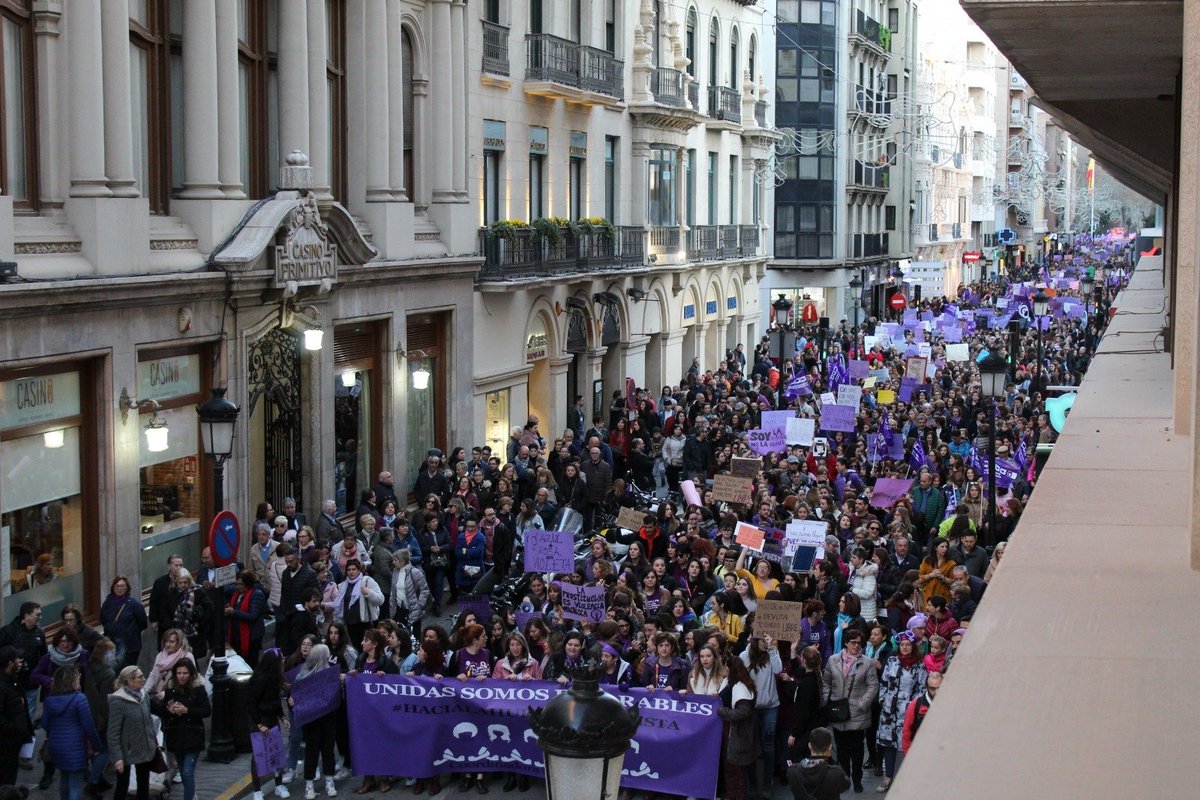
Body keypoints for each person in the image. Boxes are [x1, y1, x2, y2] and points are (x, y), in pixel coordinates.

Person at [821, 629, 878, 793]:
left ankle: (857, 779)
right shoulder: (833, 660)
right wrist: (826, 700)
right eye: (853, 642)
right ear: (846, 643)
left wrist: (863, 703)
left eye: (859, 643)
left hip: (857, 712)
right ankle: (844, 777)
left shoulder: (867, 662)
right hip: (838, 710)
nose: (856, 646)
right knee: (841, 748)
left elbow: (873, 686)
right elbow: (826, 682)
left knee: (858, 750)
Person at [874, 632, 927, 792]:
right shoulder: (891, 661)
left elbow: (922, 688)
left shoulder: (919, 666)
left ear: (913, 646)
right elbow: (883, 682)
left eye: (908, 644)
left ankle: (908, 779)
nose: (904, 647)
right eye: (902, 644)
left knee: (906, 744)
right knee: (888, 743)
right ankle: (888, 777)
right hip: (889, 711)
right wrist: (883, 699)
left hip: (908, 711)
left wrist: (912, 706)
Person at [151, 660, 210, 800]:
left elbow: (206, 710)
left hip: (192, 736)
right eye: (179, 673)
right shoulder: (170, 690)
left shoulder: (198, 689)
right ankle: (191, 793)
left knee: (188, 772)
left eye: (185, 673)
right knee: (183, 772)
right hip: (175, 736)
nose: (182, 676)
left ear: (191, 674)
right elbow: (162, 710)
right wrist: (170, 710)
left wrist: (187, 710)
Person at [42, 665, 101, 800]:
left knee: (64, 778)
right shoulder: (79, 699)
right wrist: (97, 745)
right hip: (76, 746)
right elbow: (89, 726)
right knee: (75, 784)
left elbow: (45, 723)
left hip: (56, 745)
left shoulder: (49, 700)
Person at [292, 645, 340, 800]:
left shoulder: (331, 673)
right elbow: (295, 694)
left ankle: (329, 780)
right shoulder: (302, 675)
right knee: (312, 751)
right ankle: (309, 784)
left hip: (328, 718)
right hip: (312, 720)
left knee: (328, 749)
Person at [741, 634, 784, 797]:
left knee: (768, 745)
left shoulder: (772, 653)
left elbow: (778, 669)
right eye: (762, 640)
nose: (765, 642)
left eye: (767, 639)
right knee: (752, 745)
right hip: (751, 708)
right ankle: (752, 782)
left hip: (770, 707)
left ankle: (767, 781)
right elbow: (741, 668)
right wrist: (748, 646)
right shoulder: (746, 655)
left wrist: (772, 648)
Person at [107, 666, 158, 800]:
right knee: (122, 786)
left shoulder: (144, 695)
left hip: (144, 747)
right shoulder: (117, 701)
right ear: (129, 681)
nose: (143, 679)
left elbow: (148, 721)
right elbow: (113, 733)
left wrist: (154, 743)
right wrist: (117, 757)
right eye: (140, 677)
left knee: (143, 786)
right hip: (126, 751)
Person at [247, 651, 291, 800]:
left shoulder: (274, 678)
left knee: (276, 754)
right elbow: (251, 703)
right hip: (261, 721)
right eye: (281, 659)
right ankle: (257, 790)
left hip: (272, 720)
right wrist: (259, 724)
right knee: (259, 756)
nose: (283, 661)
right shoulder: (259, 680)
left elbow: (275, 701)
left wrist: (282, 717)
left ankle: (278, 785)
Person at [717, 655, 757, 800]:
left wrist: (721, 711)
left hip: (738, 735)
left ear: (729, 668)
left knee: (737, 771)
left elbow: (743, 712)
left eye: (724, 666)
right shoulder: (729, 682)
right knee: (729, 769)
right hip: (730, 733)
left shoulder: (741, 686)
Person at [82, 639, 118, 798]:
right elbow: (106, 701)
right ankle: (93, 782)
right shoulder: (108, 674)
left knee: (97, 750)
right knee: (104, 751)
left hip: (91, 716)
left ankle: (99, 779)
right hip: (102, 719)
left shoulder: (92, 670)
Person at [0, 646, 34, 787]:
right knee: (6, 781)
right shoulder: (3, 685)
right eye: (16, 659)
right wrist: (15, 729)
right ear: (9, 663)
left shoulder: (11, 680)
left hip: (12, 742)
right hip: (6, 743)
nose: (19, 661)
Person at [786, 727, 850, 800]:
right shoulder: (836, 772)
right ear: (829, 748)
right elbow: (845, 786)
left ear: (809, 746)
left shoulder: (792, 771)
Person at [99, 576, 147, 669]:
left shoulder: (134, 604)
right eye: (117, 586)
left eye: (123, 586)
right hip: (112, 645)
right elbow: (103, 619)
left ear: (127, 588)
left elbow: (143, 622)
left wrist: (131, 632)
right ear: (113, 587)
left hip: (130, 646)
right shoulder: (107, 603)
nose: (120, 589)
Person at [334, 560, 385, 645]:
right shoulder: (342, 586)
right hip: (349, 625)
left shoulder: (367, 581)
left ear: (359, 570)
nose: (351, 572)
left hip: (365, 625)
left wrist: (368, 592)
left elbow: (380, 600)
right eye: (349, 570)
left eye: (353, 569)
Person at [226, 570, 269, 666]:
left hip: (252, 636)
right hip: (237, 635)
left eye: (241, 584)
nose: (239, 587)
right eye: (237, 584)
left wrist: (233, 612)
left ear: (248, 583)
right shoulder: (236, 594)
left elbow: (253, 616)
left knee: (250, 662)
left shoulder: (257, 594)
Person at [168, 569, 212, 660]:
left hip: (195, 631)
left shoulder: (197, 591)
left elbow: (209, 607)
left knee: (193, 659)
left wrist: (200, 620)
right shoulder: (173, 593)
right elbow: (168, 610)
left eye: (185, 582)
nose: (183, 585)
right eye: (180, 583)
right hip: (179, 632)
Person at [148, 554, 185, 646]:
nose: (179, 568)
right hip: (165, 623)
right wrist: (154, 620)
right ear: (169, 566)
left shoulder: (186, 581)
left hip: (182, 624)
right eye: (176, 565)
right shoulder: (160, 582)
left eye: (181, 565)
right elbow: (154, 601)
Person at [389, 548, 431, 629]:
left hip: (413, 609)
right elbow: (393, 590)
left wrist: (419, 605)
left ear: (402, 561)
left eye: (395, 560)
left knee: (415, 635)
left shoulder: (415, 572)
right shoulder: (395, 571)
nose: (393, 562)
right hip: (399, 610)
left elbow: (424, 590)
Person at [900, 671, 941, 754]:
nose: (936, 692)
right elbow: (906, 732)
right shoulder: (915, 705)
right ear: (927, 687)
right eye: (932, 688)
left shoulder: (949, 703)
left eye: (939, 688)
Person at [454, 517, 486, 597]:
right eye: (468, 526)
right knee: (463, 598)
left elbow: (478, 552)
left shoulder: (480, 537)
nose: (470, 529)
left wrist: (464, 551)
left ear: (477, 526)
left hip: (476, 572)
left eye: (472, 526)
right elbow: (457, 552)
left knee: (477, 598)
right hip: (462, 571)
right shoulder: (461, 537)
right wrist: (470, 551)